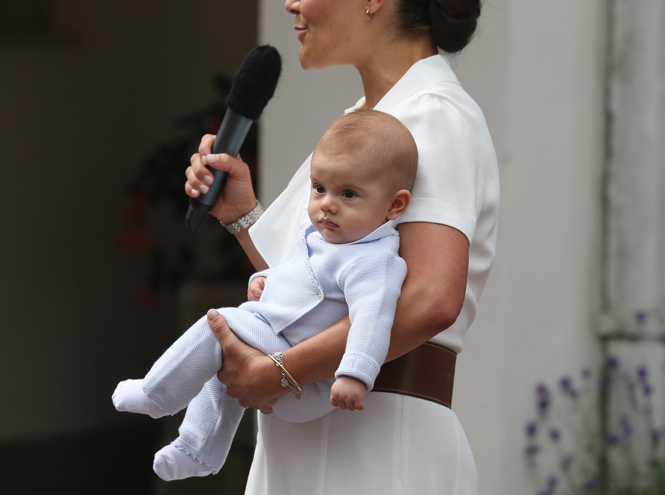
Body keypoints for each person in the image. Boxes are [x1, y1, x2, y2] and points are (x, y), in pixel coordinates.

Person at [185, 0, 499, 493]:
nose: (291, 3)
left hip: (374, 447)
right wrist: (241, 215)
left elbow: (432, 298)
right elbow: (317, 289)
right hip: (311, 444)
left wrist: (281, 371)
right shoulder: (368, 118)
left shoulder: (432, 112)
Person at [113, 110, 419, 481]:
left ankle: (158, 394)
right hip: (287, 354)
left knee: (221, 324)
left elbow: (374, 318)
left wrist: (355, 376)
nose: (327, 203)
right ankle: (198, 449)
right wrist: (267, 282)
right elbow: (306, 285)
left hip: (313, 382)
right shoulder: (328, 239)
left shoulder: (374, 260)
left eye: (348, 194)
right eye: (319, 188)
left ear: (395, 205)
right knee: (221, 355)